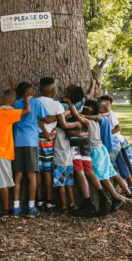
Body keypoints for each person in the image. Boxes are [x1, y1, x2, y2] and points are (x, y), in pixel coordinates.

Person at [0, 89, 31, 219]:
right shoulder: (10, 113)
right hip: (1, 152)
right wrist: (26, 98)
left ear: (0, 100)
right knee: (3, 182)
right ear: (14, 103)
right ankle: (6, 209)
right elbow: (27, 111)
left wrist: (12, 87)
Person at [36, 77, 82, 212]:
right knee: (47, 171)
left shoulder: (35, 102)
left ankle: (39, 200)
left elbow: (41, 119)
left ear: (40, 89)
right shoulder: (57, 105)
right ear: (54, 90)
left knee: (36, 171)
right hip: (48, 139)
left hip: (34, 139)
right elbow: (64, 124)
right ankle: (49, 201)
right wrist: (75, 122)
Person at [12, 82, 56, 218]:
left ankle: (16, 208)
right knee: (32, 175)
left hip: (17, 142)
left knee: (18, 175)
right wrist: (64, 114)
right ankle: (31, 207)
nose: (33, 91)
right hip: (31, 142)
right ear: (28, 91)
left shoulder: (14, 103)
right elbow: (46, 119)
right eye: (31, 90)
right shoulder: (36, 103)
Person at [82, 100, 126, 212]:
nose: (83, 108)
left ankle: (116, 198)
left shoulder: (88, 120)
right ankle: (117, 197)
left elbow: (81, 116)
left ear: (91, 110)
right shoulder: (100, 118)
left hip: (95, 151)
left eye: (85, 107)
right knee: (108, 174)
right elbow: (104, 114)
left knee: (102, 176)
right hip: (102, 149)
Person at [98, 101, 132, 196]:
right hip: (116, 143)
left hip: (111, 147)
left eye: (98, 106)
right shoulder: (106, 115)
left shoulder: (100, 118)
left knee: (116, 169)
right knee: (126, 165)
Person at [52, 126, 77, 213]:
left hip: (59, 161)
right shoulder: (69, 130)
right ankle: (72, 203)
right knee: (69, 183)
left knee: (61, 184)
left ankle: (64, 205)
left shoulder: (55, 130)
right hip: (68, 160)